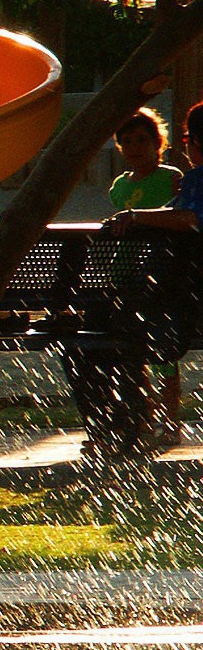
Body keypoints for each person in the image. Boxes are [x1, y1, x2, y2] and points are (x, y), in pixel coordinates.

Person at [88, 100, 203, 459]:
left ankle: (142, 420)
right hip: (157, 284)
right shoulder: (123, 187)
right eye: (128, 142)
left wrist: (135, 217)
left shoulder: (180, 178)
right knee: (136, 334)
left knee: (126, 332)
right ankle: (142, 418)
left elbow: (189, 217)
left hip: (173, 291)